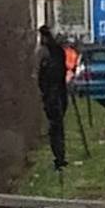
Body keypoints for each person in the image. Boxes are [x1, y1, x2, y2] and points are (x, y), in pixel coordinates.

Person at [37, 26, 69, 171]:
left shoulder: (44, 52)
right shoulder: (59, 52)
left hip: (51, 94)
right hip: (60, 93)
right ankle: (60, 156)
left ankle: (58, 157)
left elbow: (40, 75)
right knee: (58, 126)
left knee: (54, 127)